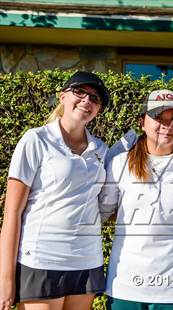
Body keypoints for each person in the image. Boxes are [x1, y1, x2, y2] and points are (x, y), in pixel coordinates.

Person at [0, 71, 110, 310]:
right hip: (41, 260)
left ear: (98, 108)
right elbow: (12, 214)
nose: (86, 101)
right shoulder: (35, 140)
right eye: (79, 92)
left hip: (86, 261)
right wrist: (6, 280)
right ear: (62, 97)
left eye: (94, 98)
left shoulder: (101, 149)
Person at [99, 90, 173, 310]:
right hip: (125, 284)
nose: (167, 125)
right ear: (142, 122)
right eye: (158, 118)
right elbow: (102, 213)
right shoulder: (120, 163)